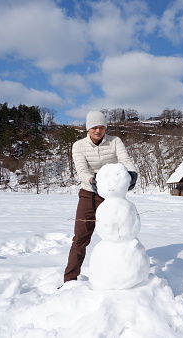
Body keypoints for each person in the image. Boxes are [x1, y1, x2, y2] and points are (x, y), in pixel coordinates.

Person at [63, 110, 137, 283]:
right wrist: (92, 180)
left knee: (119, 235)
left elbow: (125, 160)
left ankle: (123, 277)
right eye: (94, 127)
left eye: (102, 127)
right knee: (80, 238)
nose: (98, 131)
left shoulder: (115, 141)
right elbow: (81, 170)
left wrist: (132, 173)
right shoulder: (78, 146)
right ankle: (70, 280)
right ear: (88, 128)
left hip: (111, 195)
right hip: (89, 193)